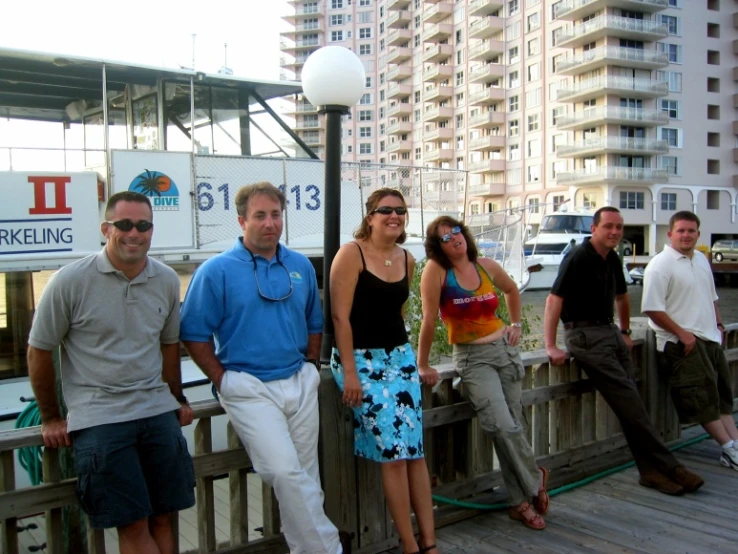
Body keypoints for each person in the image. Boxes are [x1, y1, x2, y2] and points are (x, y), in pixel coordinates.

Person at [180, 182, 350, 554]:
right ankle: (331, 548)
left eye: (275, 215)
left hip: (299, 380)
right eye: (259, 216)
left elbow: (314, 322)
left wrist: (309, 365)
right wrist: (222, 379)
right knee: (285, 473)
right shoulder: (216, 271)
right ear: (241, 220)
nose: (269, 223)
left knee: (305, 476)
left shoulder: (300, 265)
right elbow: (192, 333)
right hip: (248, 387)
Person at [27, 191, 195, 554]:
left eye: (143, 225)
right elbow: (39, 350)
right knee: (133, 524)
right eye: (124, 225)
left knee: (164, 516)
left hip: (156, 412)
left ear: (152, 229)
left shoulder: (166, 280)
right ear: (106, 229)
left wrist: (177, 397)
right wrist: (51, 417)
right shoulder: (69, 281)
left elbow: (169, 346)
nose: (134, 233)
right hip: (101, 419)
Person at [544, 206, 704, 496]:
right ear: (594, 229)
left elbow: (621, 296)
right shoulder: (578, 258)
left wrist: (626, 331)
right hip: (584, 335)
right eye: (608, 226)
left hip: (610, 333)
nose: (615, 232)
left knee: (632, 407)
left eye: (619, 227)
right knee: (631, 405)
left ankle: (650, 472)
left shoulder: (612, 258)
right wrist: (551, 345)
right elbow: (554, 300)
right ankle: (671, 468)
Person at [417, 216, 549, 531]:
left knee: (512, 426)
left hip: (504, 351)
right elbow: (429, 320)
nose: (454, 239)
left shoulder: (486, 265)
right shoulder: (436, 272)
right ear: (438, 246)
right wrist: (422, 364)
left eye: (457, 232)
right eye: (445, 237)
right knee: (500, 426)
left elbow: (511, 290)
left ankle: (519, 503)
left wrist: (516, 324)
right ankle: (535, 478)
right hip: (473, 359)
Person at [329, 188, 438, 554]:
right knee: (393, 456)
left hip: (399, 358)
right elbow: (340, 317)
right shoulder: (352, 253)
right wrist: (349, 372)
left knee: (416, 453)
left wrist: (416, 361)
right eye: (386, 210)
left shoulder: (408, 259)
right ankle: (410, 546)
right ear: (370, 216)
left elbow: (399, 313)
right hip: (360, 360)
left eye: (401, 211)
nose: (394, 216)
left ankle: (430, 541)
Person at [642, 211, 738, 470]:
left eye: (691, 231)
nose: (686, 235)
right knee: (701, 400)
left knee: (721, 397)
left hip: (709, 338)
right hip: (680, 344)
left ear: (698, 234)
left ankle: (735, 444)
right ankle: (728, 449)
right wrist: (682, 333)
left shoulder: (702, 260)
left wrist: (718, 324)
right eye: (681, 231)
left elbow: (712, 297)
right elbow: (652, 308)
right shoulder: (661, 265)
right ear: (670, 233)